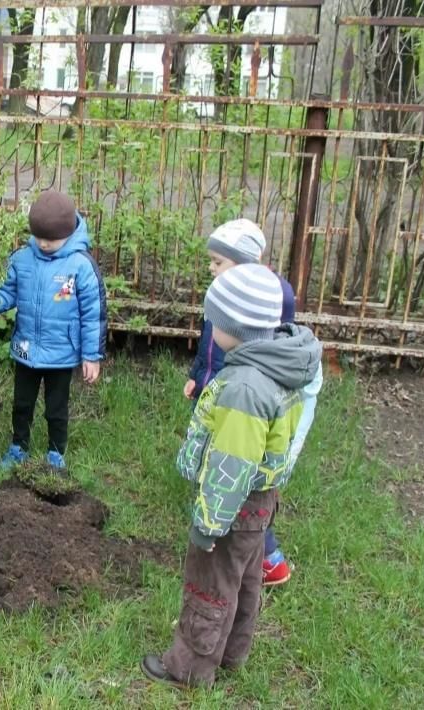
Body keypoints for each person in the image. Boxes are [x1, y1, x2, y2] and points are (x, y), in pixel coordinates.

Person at [142, 263, 321, 689]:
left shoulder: (245, 386)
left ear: (234, 327)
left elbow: (231, 467)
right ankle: (232, 652)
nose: (210, 328)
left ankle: (187, 668)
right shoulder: (282, 364)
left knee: (210, 582)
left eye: (214, 322)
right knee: (245, 577)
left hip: (233, 505)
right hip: (259, 501)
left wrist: (208, 522)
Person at [182, 218, 320, 586]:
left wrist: (208, 526)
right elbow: (208, 344)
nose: (212, 269)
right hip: (220, 390)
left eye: (218, 262)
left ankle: (266, 557)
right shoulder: (228, 303)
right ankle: (239, 541)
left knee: (240, 488)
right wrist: (199, 378)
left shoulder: (261, 311)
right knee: (228, 476)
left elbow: (235, 461)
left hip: (240, 404)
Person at [0, 190, 107, 471]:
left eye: (51, 240)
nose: (44, 244)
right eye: (39, 238)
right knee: (21, 404)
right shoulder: (23, 259)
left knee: (56, 408)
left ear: (69, 233)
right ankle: (18, 447)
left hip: (61, 354)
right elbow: (7, 292)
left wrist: (92, 356)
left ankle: (55, 453)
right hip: (26, 349)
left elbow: (93, 316)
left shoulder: (80, 266)